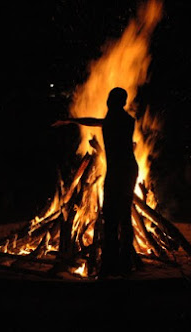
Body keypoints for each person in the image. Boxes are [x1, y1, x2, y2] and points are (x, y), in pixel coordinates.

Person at [53, 87, 139, 276]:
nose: (107, 102)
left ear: (118, 102)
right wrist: (72, 120)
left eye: (111, 99)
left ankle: (114, 263)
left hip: (121, 172)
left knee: (114, 217)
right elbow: (97, 122)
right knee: (120, 216)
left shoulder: (118, 120)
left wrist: (71, 120)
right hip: (124, 170)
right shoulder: (122, 119)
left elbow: (98, 122)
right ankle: (121, 263)